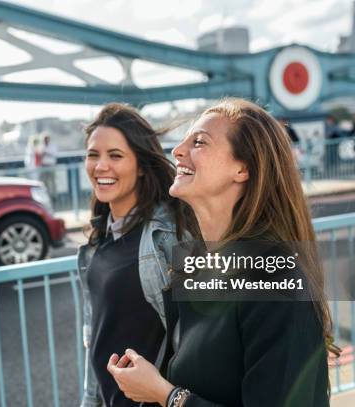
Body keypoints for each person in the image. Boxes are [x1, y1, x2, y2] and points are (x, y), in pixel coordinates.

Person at [106, 98, 339, 407]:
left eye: (199, 142)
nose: (178, 151)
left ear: (242, 168)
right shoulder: (191, 267)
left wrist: (166, 395)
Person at [78, 103, 197, 407]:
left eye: (115, 155)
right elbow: (97, 341)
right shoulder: (96, 244)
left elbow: (195, 342)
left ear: (142, 165)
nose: (100, 166)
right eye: (93, 155)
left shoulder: (168, 236)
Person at [39, 132, 58, 200]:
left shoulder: (52, 145)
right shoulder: (41, 146)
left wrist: (46, 153)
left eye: (46, 139)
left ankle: (54, 197)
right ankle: (47, 196)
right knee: (44, 182)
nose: (45, 140)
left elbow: (54, 154)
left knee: (52, 182)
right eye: (44, 139)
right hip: (43, 166)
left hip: (51, 166)